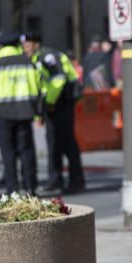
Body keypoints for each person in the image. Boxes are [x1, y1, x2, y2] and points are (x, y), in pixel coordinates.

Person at [23, 32, 85, 193]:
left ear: (36, 43)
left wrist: (49, 102)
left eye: (28, 45)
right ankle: (55, 179)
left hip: (61, 103)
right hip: (54, 104)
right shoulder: (39, 57)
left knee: (67, 142)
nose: (26, 49)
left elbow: (59, 79)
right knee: (53, 142)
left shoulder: (48, 56)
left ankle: (76, 181)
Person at [0, 31, 41, 194]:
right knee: (26, 151)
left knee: (8, 154)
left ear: (1, 46)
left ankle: (12, 189)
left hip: (3, 114)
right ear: (17, 45)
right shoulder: (28, 62)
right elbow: (37, 88)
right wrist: (37, 112)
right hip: (25, 113)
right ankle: (30, 187)